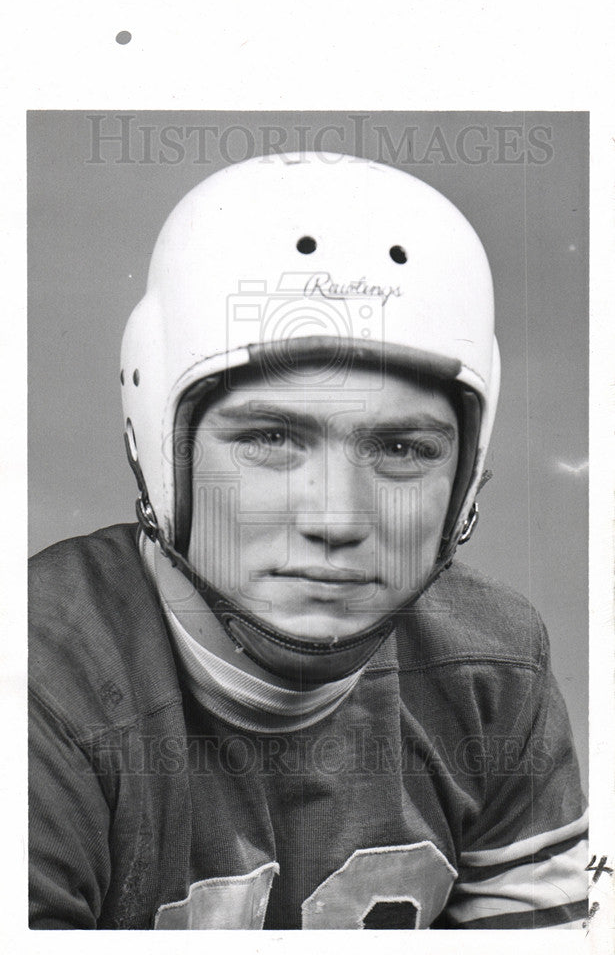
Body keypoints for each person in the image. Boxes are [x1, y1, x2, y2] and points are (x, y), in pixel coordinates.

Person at [29, 153, 587, 930]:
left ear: (467, 479)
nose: (337, 517)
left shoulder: (489, 672)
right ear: (161, 447)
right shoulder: (36, 684)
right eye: (270, 437)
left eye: (401, 450)